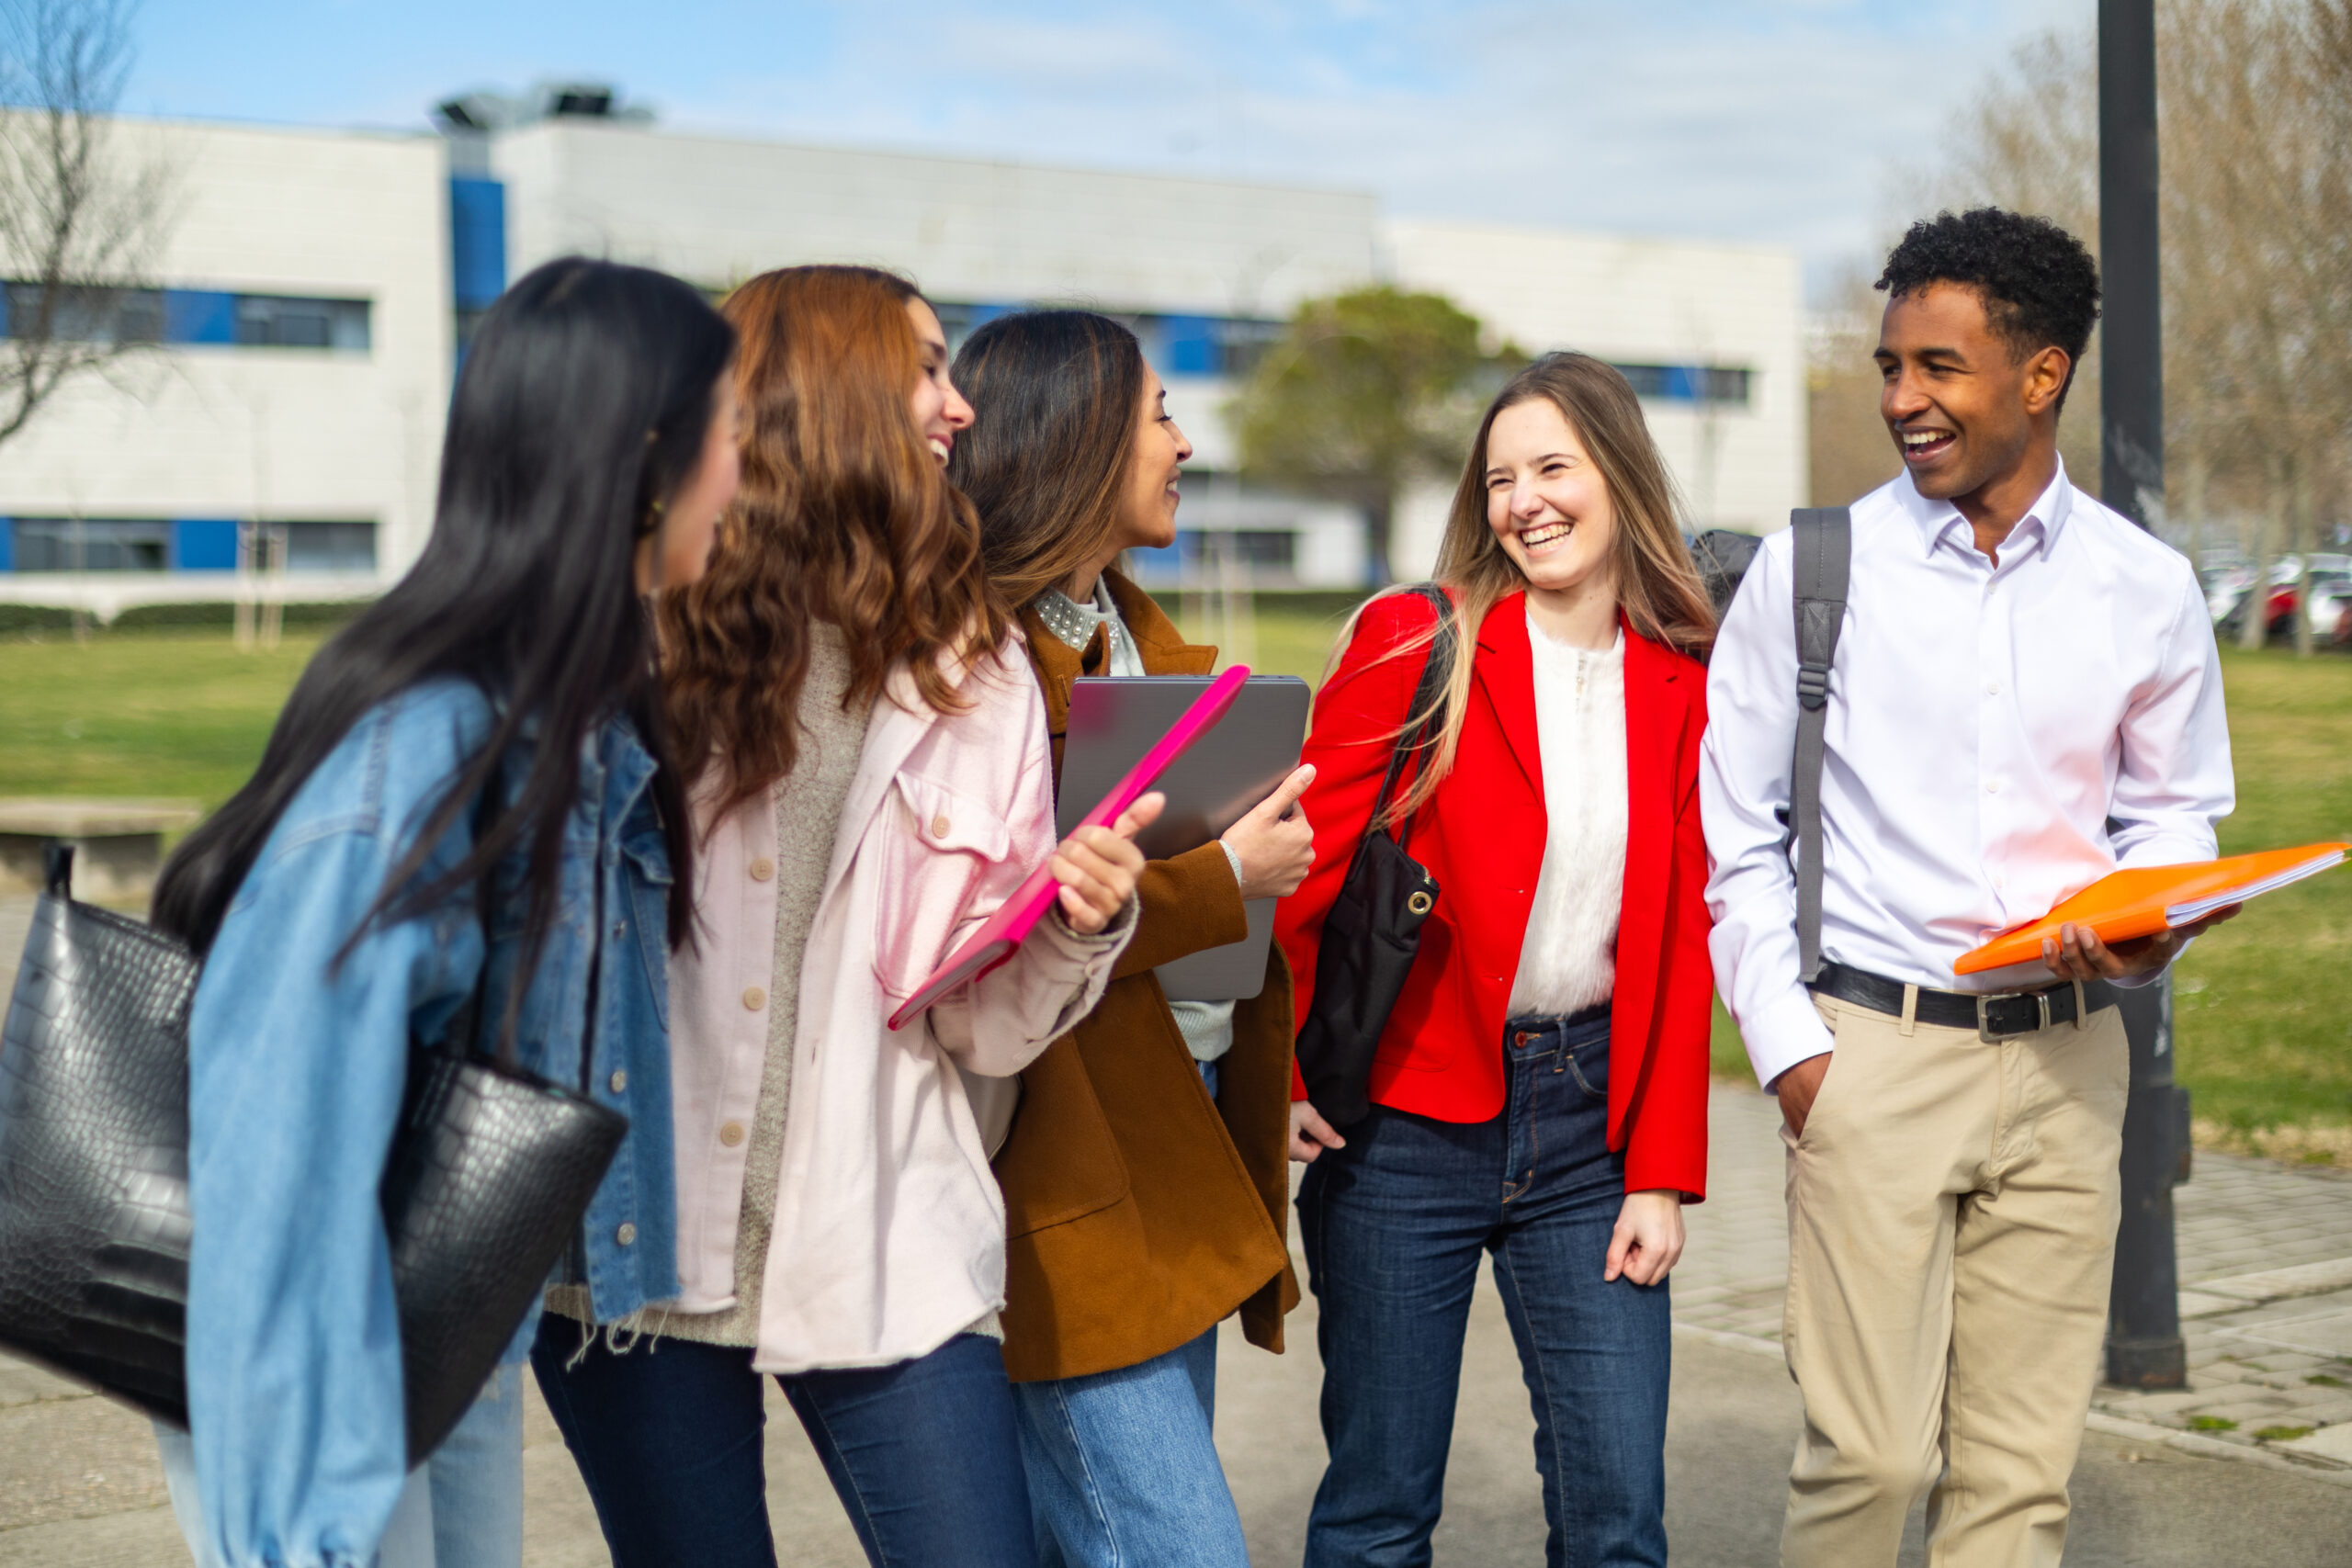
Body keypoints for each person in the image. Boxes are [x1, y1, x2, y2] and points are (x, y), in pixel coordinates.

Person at [527, 265, 1156, 1568]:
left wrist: (1075, 923)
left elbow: (983, 1031)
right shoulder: (638, 629)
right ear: (829, 389)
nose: (959, 409)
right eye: (928, 370)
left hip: (879, 1231)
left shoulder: (971, 667)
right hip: (639, 1239)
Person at [145, 256, 740, 1568]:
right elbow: (280, 1171)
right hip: (311, 1376)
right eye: (733, 436)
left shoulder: (567, 727)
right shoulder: (433, 750)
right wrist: (311, 1534)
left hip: (445, 1323)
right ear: (647, 456)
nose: (744, 478)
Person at [1702, 208, 2237, 1567]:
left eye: (1937, 367)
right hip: (1870, 1054)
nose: (1901, 400)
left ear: (2041, 375)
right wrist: (1793, 1053)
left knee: (2018, 1481)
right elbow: (1736, 835)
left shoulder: (2146, 587)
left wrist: (2145, 930)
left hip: (2066, 1067)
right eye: (1892, 367)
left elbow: (2174, 813)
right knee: (1868, 1461)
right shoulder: (1816, 570)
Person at [1276, 352, 1716, 1568]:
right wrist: (1285, 1076)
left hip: (1592, 1135)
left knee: (1620, 1517)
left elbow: (1684, 941)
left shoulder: (1684, 677)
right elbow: (1300, 876)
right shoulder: (1421, 643)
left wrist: (1662, 1172)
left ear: (1618, 476)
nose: (1526, 500)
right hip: (1404, 1126)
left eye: (1554, 469)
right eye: (1502, 477)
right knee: (1377, 1511)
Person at [945, 309, 1309, 1568]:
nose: (1185, 442)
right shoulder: (963, 672)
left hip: (1175, 1129)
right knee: (1176, 1546)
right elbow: (994, 931)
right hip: (1055, 1166)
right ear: (1080, 440)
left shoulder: (1125, 645)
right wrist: (1227, 876)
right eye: (1160, 413)